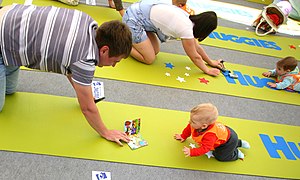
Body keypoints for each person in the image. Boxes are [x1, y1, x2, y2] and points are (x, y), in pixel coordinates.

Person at [0, 4, 132, 146]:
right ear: (105, 50)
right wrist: (106, 132)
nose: (113, 65)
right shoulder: (85, 58)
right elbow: (87, 108)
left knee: (10, 90)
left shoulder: (89, 23)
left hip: (10, 13)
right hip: (3, 37)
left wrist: (82, 91)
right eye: (115, 61)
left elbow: (70, 65)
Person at [123, 1, 222, 77]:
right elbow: (195, 56)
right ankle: (124, 43)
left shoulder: (189, 20)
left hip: (141, 14)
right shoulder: (186, 29)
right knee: (149, 59)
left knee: (155, 51)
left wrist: (210, 62)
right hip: (134, 19)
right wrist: (207, 70)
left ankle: (133, 39)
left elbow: (197, 48)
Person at [174, 103, 250, 161]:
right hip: (226, 135)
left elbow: (205, 148)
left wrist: (192, 152)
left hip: (227, 142)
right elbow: (188, 129)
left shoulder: (210, 135)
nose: (190, 122)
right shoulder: (194, 124)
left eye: (193, 121)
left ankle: (235, 153)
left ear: (204, 126)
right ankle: (239, 143)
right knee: (224, 143)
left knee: (220, 157)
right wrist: (183, 136)